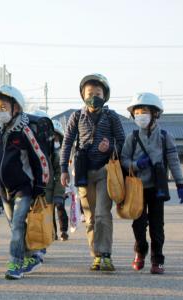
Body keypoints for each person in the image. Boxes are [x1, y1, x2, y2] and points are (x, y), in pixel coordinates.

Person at [60, 74, 125, 271]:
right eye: (90, 93)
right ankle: (95, 255)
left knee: (102, 214)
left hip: (105, 170)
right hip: (82, 172)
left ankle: (105, 254)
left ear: (105, 96)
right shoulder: (76, 116)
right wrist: (64, 169)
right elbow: (67, 143)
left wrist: (111, 147)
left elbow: (122, 141)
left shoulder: (112, 116)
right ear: (83, 95)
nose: (94, 96)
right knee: (89, 216)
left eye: (98, 93)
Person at [0, 85, 49, 280]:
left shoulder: (25, 130)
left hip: (24, 187)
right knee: (16, 227)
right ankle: (34, 255)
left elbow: (40, 158)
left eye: (4, 107)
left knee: (17, 225)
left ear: (16, 107)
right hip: (4, 189)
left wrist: (40, 185)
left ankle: (15, 264)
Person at [121, 93, 183, 275]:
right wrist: (135, 165)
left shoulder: (165, 137)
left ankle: (157, 259)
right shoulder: (131, 138)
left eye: (146, 111)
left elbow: (173, 161)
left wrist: (180, 184)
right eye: (138, 112)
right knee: (138, 225)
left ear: (155, 114)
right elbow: (123, 160)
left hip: (157, 188)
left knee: (157, 226)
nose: (141, 115)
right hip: (136, 189)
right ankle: (140, 251)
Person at [49, 119, 68, 241]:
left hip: (61, 184)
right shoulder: (46, 151)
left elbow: (64, 171)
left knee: (60, 207)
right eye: (52, 137)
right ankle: (52, 232)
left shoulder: (63, 152)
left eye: (56, 137)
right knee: (49, 211)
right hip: (49, 185)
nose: (54, 139)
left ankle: (63, 231)